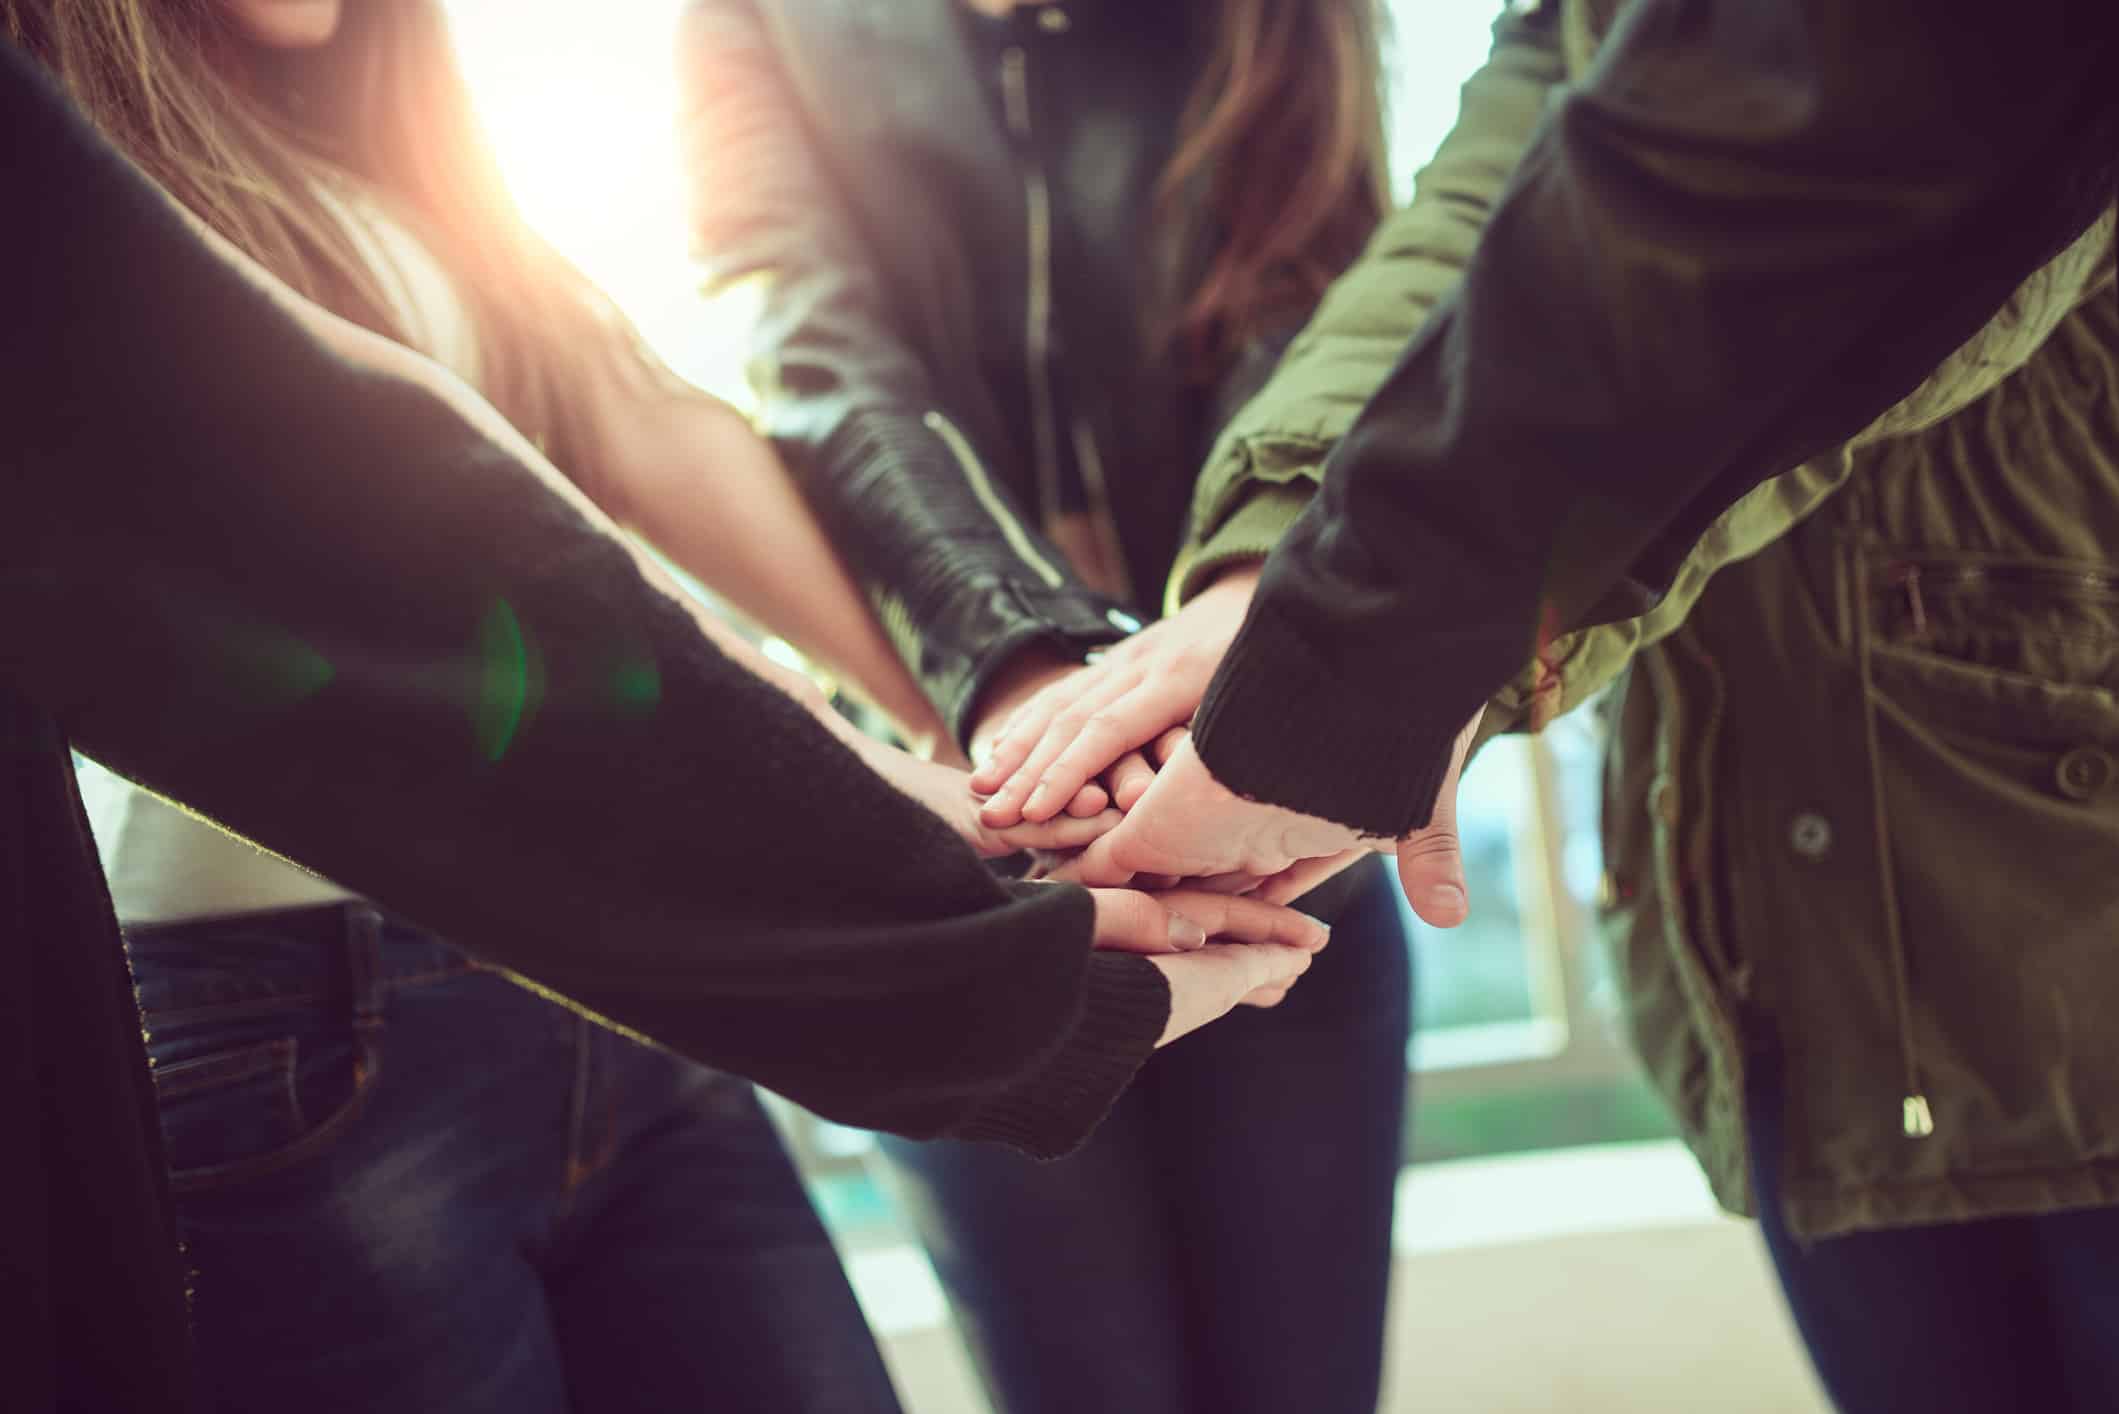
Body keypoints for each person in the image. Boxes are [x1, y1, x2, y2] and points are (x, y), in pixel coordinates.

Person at [0, 36, 1326, 1414]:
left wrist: (1012, 720)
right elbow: (425, 526)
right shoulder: (77, 169)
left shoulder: (406, 161)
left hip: (620, 992)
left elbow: (640, 418)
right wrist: (878, 788)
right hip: (305, 1013)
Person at [976, 0, 2119, 1409]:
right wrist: (1268, 568)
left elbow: (1840, 211)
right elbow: (1498, 200)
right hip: (1786, 924)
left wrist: (1354, 655)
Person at [676, 3, 1417, 1410]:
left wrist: (1231, 667)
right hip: (968, 835)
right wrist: (1021, 672)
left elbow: (1327, 327)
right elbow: (812, 346)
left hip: (1264, 816)